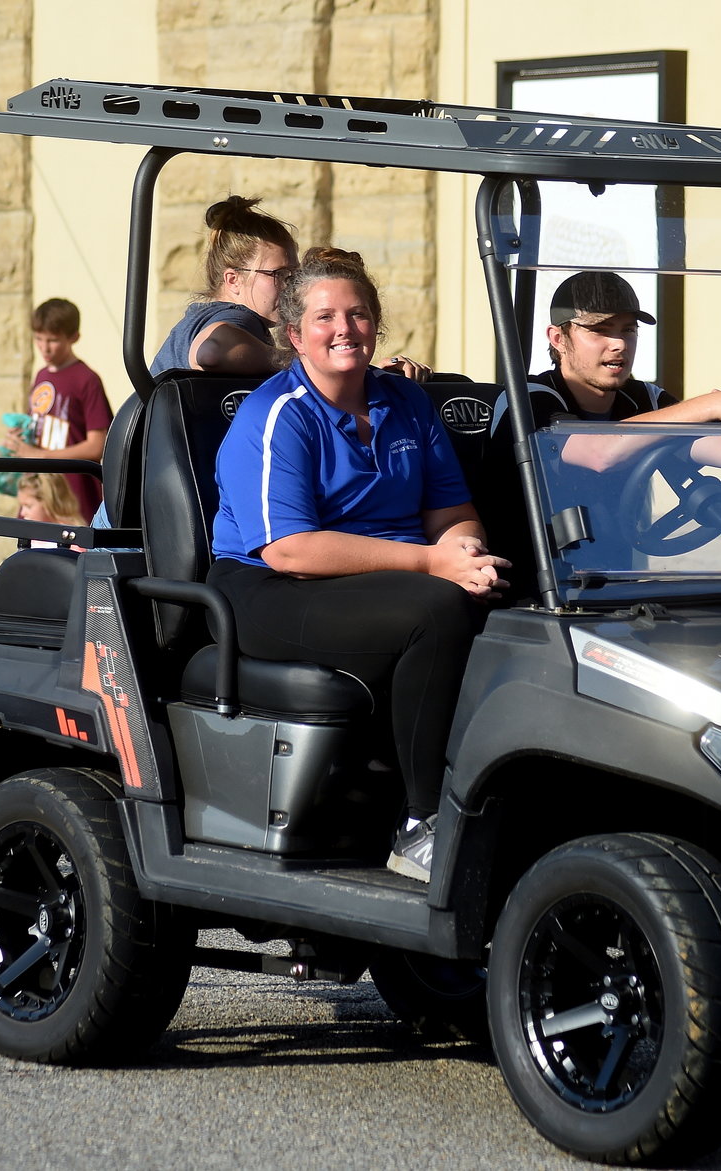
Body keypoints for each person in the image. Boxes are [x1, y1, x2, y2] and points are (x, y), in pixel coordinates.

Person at [206, 248, 510, 882]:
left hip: (392, 577)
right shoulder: (278, 414)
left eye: (359, 314)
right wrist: (434, 565)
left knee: (517, 603)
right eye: (325, 317)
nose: (344, 329)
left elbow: (450, 508)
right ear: (295, 335)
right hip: (270, 589)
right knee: (436, 611)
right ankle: (421, 823)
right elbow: (290, 548)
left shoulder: (407, 403)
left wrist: (466, 551)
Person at [482, 271, 721, 597]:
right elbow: (600, 454)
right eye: (599, 330)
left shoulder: (645, 399)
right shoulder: (528, 397)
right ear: (558, 339)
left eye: (628, 330)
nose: (618, 344)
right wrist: (710, 404)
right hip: (526, 599)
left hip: (617, 593)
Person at [149, 195, 430, 383]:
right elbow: (212, 351)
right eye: (278, 274)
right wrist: (311, 360)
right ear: (233, 280)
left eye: (293, 274)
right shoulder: (238, 317)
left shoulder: (200, 318)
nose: (290, 286)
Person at [4, 298, 114, 520]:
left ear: (73, 337)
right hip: (39, 496)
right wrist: (18, 440)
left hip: (74, 499)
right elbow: (36, 428)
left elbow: (97, 446)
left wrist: (41, 456)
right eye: (38, 339)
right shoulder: (41, 375)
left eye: (53, 340)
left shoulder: (87, 379)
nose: (44, 348)